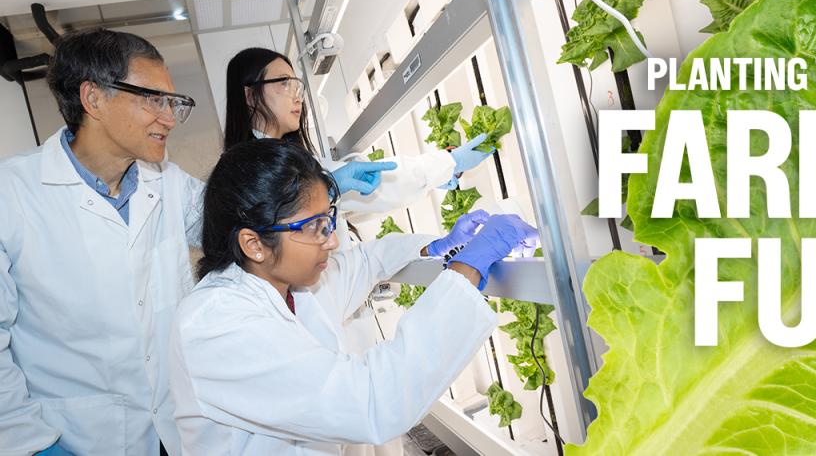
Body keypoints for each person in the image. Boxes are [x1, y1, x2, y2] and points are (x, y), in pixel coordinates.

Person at [169, 139, 538, 454]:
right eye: (313, 227)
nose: (331, 239)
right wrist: (468, 269)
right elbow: (370, 401)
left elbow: (364, 262)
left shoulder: (289, 284)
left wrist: (438, 248)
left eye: (327, 220)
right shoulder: (215, 324)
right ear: (254, 244)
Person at [0, 28, 203, 455]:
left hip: (174, 429)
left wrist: (321, 187)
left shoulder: (167, 182)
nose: (168, 118)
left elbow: (238, 217)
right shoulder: (11, 194)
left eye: (172, 102)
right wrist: (28, 442)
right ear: (94, 99)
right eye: (153, 99)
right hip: (76, 438)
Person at [222, 47, 493, 202]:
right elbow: (370, 186)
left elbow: (361, 190)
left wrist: (438, 172)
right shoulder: (262, 172)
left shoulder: (284, 155)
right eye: (284, 83)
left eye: (296, 84)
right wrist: (446, 165)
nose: (297, 95)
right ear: (249, 95)